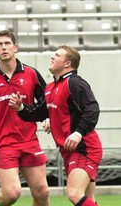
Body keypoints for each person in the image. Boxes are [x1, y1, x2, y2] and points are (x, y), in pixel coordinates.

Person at [9, 46, 103, 206]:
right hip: (69, 150)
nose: (52, 57)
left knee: (74, 194)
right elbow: (38, 113)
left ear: (67, 63)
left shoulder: (74, 83)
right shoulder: (51, 87)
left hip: (84, 148)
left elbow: (92, 109)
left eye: (57, 55)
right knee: (88, 198)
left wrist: (78, 133)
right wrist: (20, 107)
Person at [0, 30, 50, 206]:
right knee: (11, 193)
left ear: (15, 47)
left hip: (29, 141)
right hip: (3, 143)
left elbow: (47, 100)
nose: (4, 47)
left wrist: (47, 117)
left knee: (42, 192)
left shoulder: (31, 74)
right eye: (0, 44)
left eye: (7, 44)